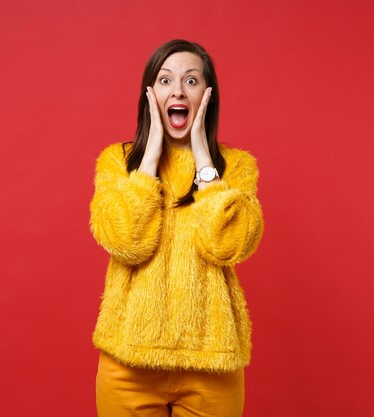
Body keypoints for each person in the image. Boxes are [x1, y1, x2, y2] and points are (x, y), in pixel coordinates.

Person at [89, 39, 264, 417]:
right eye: (165, 80)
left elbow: (228, 244)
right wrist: (149, 156)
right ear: (150, 94)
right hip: (128, 363)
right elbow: (125, 241)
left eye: (191, 80)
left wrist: (203, 158)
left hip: (212, 364)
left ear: (207, 95)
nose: (178, 90)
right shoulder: (117, 162)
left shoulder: (237, 167)